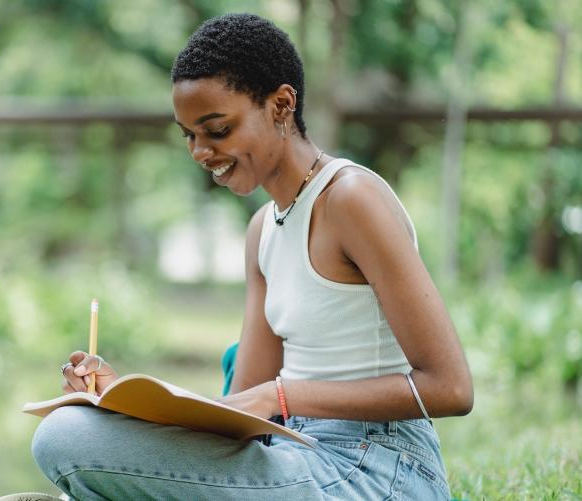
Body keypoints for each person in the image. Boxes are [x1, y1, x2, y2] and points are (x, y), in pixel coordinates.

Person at [31, 13, 473, 500]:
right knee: (72, 426)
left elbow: (450, 389)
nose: (200, 151)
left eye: (217, 129)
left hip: (378, 469)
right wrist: (122, 403)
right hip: (294, 455)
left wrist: (279, 396)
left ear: (282, 104)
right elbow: (236, 416)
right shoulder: (263, 229)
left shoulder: (351, 199)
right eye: (188, 135)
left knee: (62, 441)